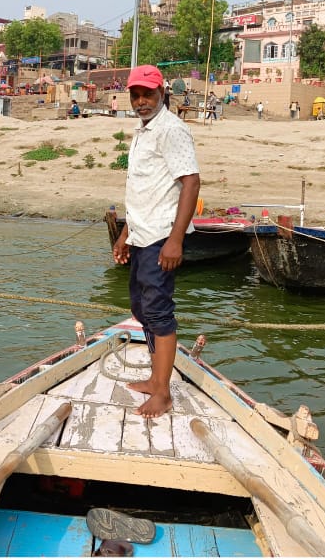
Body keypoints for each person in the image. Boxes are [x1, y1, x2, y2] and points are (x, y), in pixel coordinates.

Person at [111, 65, 200, 418]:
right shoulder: (143, 130)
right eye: (135, 95)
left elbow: (191, 183)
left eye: (147, 94)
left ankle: (162, 393)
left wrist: (175, 240)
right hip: (142, 233)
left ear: (162, 92)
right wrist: (125, 234)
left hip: (162, 236)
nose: (141, 101)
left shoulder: (171, 130)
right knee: (142, 309)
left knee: (159, 313)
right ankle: (155, 378)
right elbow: (143, 189)